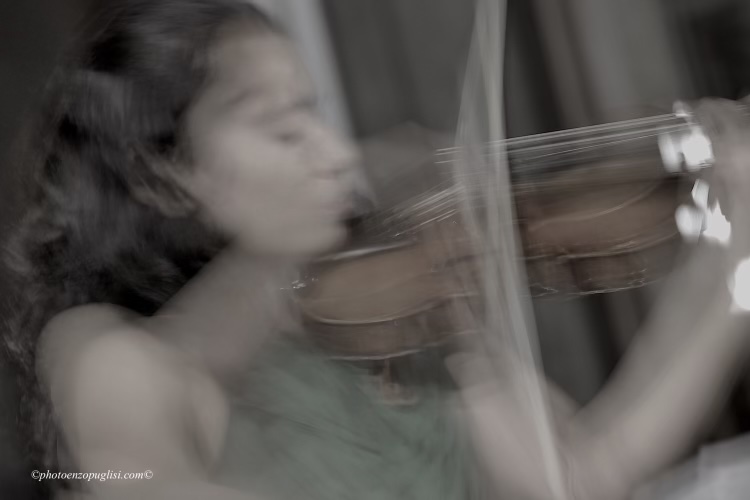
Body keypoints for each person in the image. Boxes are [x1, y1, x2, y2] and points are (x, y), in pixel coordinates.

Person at [4, 1, 750, 499]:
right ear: (162, 174)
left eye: (316, 114)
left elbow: (583, 473)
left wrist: (734, 264)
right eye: (283, 128)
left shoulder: (392, 310)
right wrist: (272, 279)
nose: (334, 153)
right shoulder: (113, 358)